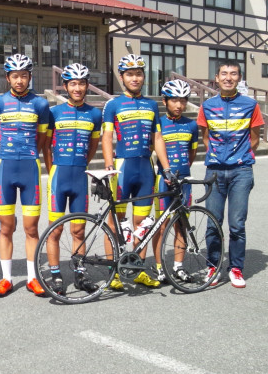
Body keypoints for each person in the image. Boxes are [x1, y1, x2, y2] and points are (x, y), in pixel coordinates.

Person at [101, 54, 173, 288]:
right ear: (122, 77)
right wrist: (109, 164)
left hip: (145, 169)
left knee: (143, 223)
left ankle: (138, 269)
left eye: (139, 73)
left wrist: (167, 167)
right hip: (122, 168)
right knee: (115, 223)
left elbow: (158, 138)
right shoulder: (113, 104)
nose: (135, 78)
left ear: (144, 76)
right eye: (129, 74)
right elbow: (107, 136)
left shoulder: (152, 105)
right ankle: (113, 272)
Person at [197, 59, 264, 288]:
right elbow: (206, 138)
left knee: (237, 224)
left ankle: (236, 268)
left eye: (233, 73)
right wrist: (218, 155)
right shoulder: (207, 106)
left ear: (239, 78)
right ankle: (213, 267)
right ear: (216, 78)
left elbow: (254, 138)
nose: (228, 77)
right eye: (224, 73)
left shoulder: (250, 104)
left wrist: (240, 155)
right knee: (212, 223)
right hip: (214, 170)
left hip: (241, 171)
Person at [0, 54, 50, 297]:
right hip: (5, 168)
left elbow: (43, 138)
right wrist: (5, 152)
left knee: (31, 228)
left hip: (30, 169)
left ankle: (33, 278)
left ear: (30, 77)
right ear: (7, 78)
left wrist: (28, 152)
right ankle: (6, 279)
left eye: (24, 75)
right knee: (6, 227)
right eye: (15, 76)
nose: (20, 80)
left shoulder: (41, 104)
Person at [41, 63, 104, 294]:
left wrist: (81, 165)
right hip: (59, 176)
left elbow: (93, 146)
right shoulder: (54, 112)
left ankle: (79, 274)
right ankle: (56, 275)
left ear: (87, 85)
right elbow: (46, 147)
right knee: (55, 230)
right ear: (66, 86)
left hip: (79, 178)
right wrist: (53, 169)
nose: (78, 88)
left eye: (82, 83)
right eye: (73, 83)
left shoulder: (95, 114)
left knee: (78, 230)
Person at [150, 80, 198, 282]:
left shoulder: (192, 124)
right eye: (174, 100)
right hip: (163, 181)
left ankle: (178, 266)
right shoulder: (159, 123)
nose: (179, 105)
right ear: (165, 100)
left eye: (183, 100)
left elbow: (192, 152)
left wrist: (182, 171)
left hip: (183, 180)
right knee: (161, 224)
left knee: (182, 224)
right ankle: (160, 266)